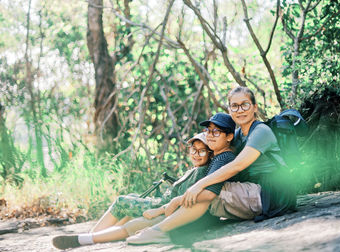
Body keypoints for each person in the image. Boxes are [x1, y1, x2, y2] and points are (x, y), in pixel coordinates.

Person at [127, 86, 296, 244]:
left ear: (255, 107)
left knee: (210, 193)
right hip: (254, 189)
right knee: (206, 191)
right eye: (234, 106)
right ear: (229, 110)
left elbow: (237, 165)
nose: (240, 110)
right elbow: (212, 142)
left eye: (245, 105)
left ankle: (160, 231)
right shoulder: (237, 135)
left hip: (274, 193)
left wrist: (195, 187)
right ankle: (168, 230)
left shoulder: (261, 132)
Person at [52, 132, 213, 250]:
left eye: (202, 151)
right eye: (194, 150)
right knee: (133, 197)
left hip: (161, 207)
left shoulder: (201, 172)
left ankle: (93, 235)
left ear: (210, 153)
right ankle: (99, 235)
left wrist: (158, 211)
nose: (196, 154)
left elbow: (180, 201)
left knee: (122, 201)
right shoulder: (195, 169)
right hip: (161, 203)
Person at [127, 112, 238, 244]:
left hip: (206, 214)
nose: (210, 135)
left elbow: (209, 194)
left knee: (192, 200)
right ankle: (156, 231)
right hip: (201, 213)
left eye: (216, 132)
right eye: (208, 131)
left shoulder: (224, 158)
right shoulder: (218, 157)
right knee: (133, 222)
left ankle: (158, 232)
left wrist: (176, 201)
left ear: (229, 136)